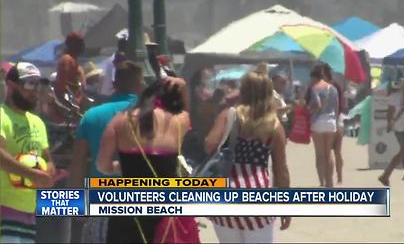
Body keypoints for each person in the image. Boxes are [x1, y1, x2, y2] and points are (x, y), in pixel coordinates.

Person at [97, 76, 190, 243]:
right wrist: (181, 87)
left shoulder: (120, 120)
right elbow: (183, 105)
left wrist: (121, 167)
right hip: (164, 210)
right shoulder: (180, 121)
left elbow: (103, 165)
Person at [205, 67, 291, 243]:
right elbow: (281, 171)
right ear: (268, 93)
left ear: (243, 91)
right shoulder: (274, 125)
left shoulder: (229, 115)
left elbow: (209, 145)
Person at [68, 61, 144, 243]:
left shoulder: (92, 116)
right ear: (140, 85)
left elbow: (77, 164)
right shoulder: (151, 116)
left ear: (114, 84)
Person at [0, 62, 55, 243]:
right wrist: (31, 173)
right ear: (11, 84)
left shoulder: (37, 122)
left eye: (37, 84)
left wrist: (49, 173)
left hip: (29, 210)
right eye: (29, 84)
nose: (34, 91)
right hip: (4, 207)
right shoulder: (2, 116)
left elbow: (47, 157)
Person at [306, 64, 338, 188]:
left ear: (314, 77)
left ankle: (322, 183)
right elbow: (336, 108)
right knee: (328, 153)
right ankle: (330, 183)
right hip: (331, 122)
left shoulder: (315, 88)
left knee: (319, 154)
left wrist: (309, 109)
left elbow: (317, 105)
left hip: (318, 122)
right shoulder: (333, 88)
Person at [321, 64, 345, 184]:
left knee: (326, 152)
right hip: (338, 119)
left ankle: (328, 179)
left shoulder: (320, 87)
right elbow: (341, 104)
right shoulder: (336, 85)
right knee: (338, 151)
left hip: (328, 120)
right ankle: (339, 176)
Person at [53, 32, 86, 114]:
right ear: (73, 44)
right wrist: (67, 106)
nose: (83, 46)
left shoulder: (74, 61)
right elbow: (60, 87)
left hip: (76, 105)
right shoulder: (66, 60)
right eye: (80, 43)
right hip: (70, 109)